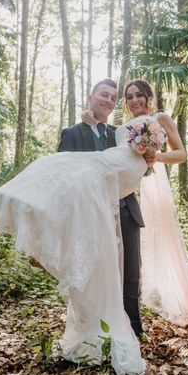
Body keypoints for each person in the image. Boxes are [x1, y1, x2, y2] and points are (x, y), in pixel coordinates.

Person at [0, 79, 187, 375]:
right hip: (108, 177)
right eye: (128, 97)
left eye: (137, 95)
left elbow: (181, 154)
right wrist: (90, 122)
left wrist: (156, 156)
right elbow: (105, 143)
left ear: (149, 96)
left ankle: (0, 214)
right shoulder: (119, 127)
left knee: (61, 174)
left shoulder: (160, 119)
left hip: (122, 180)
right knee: (54, 169)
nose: (133, 100)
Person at [58, 79, 145, 338]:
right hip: (93, 217)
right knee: (94, 277)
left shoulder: (120, 134)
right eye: (103, 95)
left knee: (130, 275)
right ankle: (95, 333)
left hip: (126, 211)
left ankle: (134, 333)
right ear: (90, 97)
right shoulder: (72, 133)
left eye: (113, 97)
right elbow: (64, 176)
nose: (108, 100)